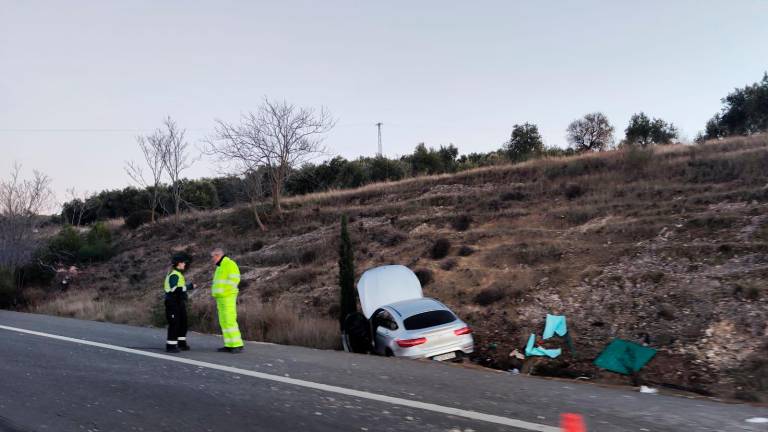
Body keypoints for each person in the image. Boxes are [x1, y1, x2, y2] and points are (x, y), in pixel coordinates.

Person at [210, 248, 244, 353]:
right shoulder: (220, 267)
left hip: (227, 297)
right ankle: (229, 344)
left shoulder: (229, 263)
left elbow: (235, 279)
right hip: (221, 298)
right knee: (224, 321)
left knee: (229, 320)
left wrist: (225, 292)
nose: (212, 259)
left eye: (213, 257)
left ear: (217, 255)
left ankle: (237, 345)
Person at [164, 253, 195, 353]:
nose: (184, 264)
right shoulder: (174, 274)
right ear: (178, 263)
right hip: (172, 302)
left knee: (183, 323)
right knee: (174, 323)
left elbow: (180, 288)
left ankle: (181, 344)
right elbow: (174, 289)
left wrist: (186, 288)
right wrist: (189, 287)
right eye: (183, 263)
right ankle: (171, 346)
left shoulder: (178, 274)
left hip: (179, 302)